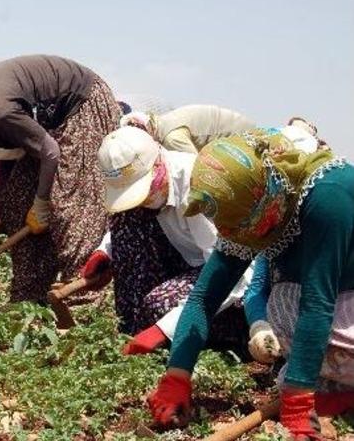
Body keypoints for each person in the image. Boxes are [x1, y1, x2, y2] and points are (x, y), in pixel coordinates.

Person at [147, 128, 354, 437]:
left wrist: (297, 403)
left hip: (337, 301)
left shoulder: (328, 196)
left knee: (286, 301)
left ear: (268, 192)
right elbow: (204, 297)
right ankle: (336, 386)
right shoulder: (251, 204)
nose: (245, 237)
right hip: (340, 309)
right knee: (284, 306)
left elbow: (317, 302)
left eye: (248, 226)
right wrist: (177, 376)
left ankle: (336, 386)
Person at [0, 55, 121, 303]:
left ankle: (82, 300)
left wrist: (42, 202)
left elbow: (50, 151)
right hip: (46, 128)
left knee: (69, 205)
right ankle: (29, 298)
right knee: (16, 203)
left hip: (80, 102)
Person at [84, 126, 249, 354]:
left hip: (232, 285)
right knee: (125, 217)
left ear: (159, 163)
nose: (142, 200)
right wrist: (106, 252)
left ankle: (203, 340)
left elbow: (233, 274)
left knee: (158, 305)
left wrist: (163, 329)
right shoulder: (153, 195)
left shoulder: (200, 187)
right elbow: (128, 233)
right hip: (185, 262)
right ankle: (132, 330)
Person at [120, 104, 255, 154]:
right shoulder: (165, 122)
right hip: (242, 131)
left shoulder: (171, 138)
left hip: (244, 140)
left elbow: (194, 169)